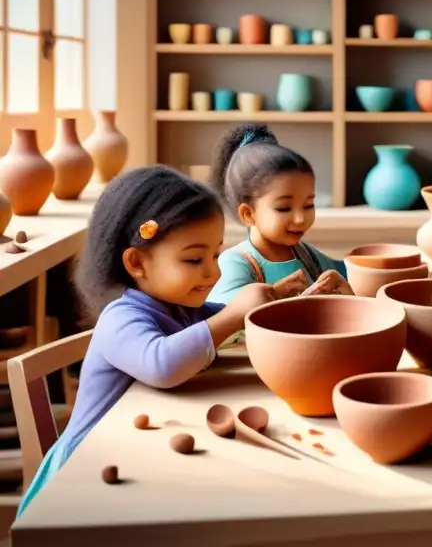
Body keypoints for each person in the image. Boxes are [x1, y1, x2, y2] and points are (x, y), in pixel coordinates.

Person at [16, 166, 289, 518]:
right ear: (136, 262)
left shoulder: (178, 307)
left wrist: (277, 304)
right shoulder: (120, 319)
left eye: (215, 255)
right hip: (85, 478)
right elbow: (163, 363)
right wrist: (235, 314)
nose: (213, 272)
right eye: (194, 259)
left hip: (136, 461)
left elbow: (224, 325)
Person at [209, 123, 351, 303]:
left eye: (308, 205)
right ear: (248, 214)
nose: (300, 219)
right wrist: (275, 294)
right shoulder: (236, 262)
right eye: (284, 208)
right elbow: (220, 314)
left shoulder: (307, 255)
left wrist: (339, 283)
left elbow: (348, 272)